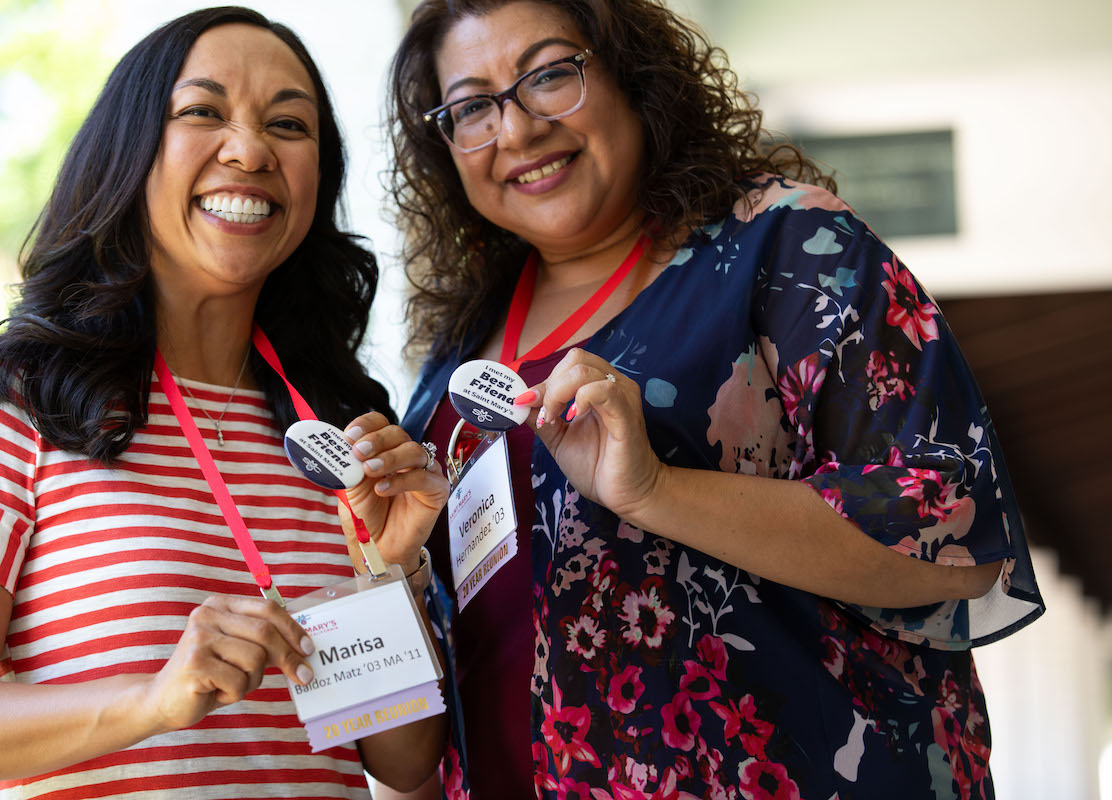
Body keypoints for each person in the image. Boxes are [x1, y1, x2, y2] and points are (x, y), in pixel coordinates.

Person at [386, 0, 1045, 797]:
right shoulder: (454, 363)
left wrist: (659, 491)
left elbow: (951, 529)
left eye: (551, 74)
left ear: (633, 73)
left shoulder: (789, 246)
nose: (517, 130)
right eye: (472, 107)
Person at [0, 7, 448, 798]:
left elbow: (401, 763)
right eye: (202, 111)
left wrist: (388, 568)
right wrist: (149, 703)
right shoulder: (4, 397)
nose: (251, 149)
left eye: (289, 125)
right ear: (128, 150)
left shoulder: (337, 434)